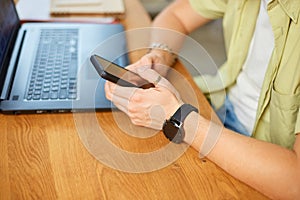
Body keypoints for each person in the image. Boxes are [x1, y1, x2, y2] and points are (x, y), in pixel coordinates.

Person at [105, 0, 300, 199]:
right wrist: (159, 57)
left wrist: (179, 118)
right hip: (219, 108)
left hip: (269, 162)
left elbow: (295, 181)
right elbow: (177, 15)